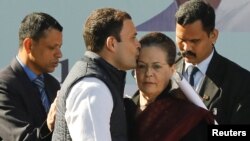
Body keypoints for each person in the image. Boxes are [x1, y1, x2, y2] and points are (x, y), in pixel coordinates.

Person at [52, 8, 141, 141]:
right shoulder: (92, 89)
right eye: (133, 37)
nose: (138, 44)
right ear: (112, 43)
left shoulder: (99, 81)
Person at [124, 32, 214, 141]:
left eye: (156, 66)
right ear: (135, 69)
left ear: (172, 70)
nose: (148, 73)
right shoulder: (123, 109)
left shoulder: (187, 117)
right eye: (142, 66)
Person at [175, 0, 250, 124]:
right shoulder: (165, 68)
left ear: (213, 35)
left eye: (195, 41)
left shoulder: (241, 82)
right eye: (181, 39)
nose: (186, 47)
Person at [0, 12, 62, 140]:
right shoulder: (4, 86)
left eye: (60, 47)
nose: (59, 54)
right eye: (52, 48)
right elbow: (22, 138)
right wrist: (49, 126)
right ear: (29, 45)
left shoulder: (53, 84)